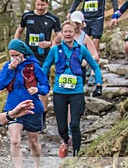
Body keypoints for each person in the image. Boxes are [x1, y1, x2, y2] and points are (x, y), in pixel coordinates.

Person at [42, 21, 104, 158]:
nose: (68, 34)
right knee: (62, 128)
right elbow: (45, 68)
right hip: (60, 93)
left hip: (76, 93)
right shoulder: (55, 50)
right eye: (65, 32)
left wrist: (99, 83)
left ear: (74, 33)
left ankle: (76, 155)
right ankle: (65, 140)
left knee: (75, 125)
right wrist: (42, 84)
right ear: (62, 33)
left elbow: (95, 65)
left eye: (70, 31)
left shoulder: (81, 49)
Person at [0, 40, 50, 168]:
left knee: (33, 142)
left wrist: (37, 90)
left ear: (23, 53)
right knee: (15, 140)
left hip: (32, 108)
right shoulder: (7, 66)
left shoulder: (33, 66)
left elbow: (46, 86)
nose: (15, 58)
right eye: (12, 55)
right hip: (13, 108)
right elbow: (0, 85)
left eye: (17, 55)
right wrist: (10, 69)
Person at [15, 0, 62, 126]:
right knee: (24, 84)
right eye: (38, 4)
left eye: (42, 5)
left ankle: (43, 116)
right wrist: (15, 47)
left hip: (44, 58)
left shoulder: (53, 19)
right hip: (28, 56)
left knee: (43, 87)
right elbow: (19, 31)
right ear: (34, 3)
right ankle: (24, 114)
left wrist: (50, 43)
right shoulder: (27, 16)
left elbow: (60, 36)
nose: (40, 7)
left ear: (47, 4)